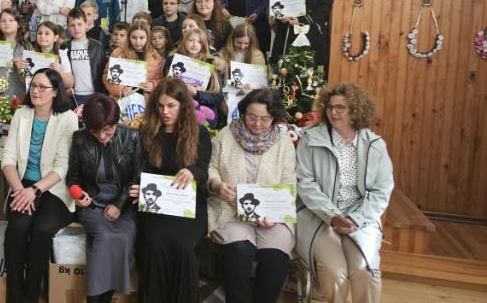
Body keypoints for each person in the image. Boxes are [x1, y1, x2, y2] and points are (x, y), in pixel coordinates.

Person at [297, 83, 393, 303]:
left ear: (356, 110)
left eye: (341, 107)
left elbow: (381, 191)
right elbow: (305, 184)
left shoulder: (375, 145)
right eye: (330, 107)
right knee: (334, 272)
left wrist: (356, 219)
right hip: (319, 216)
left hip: (361, 218)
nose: (333, 112)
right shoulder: (310, 139)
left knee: (364, 269)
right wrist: (332, 216)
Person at [208, 89, 295, 303]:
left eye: (264, 119)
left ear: (274, 117)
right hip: (230, 211)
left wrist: (275, 214)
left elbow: (289, 182)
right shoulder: (226, 135)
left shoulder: (283, 142)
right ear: (243, 112)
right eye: (252, 117)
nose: (257, 123)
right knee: (239, 252)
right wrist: (217, 185)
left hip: (272, 215)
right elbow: (211, 168)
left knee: (275, 257)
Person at [131, 78, 212, 303]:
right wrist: (141, 188)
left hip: (188, 204)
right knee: (154, 242)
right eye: (160, 106)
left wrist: (192, 172)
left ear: (183, 105)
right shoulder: (147, 132)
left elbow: (204, 170)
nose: (165, 112)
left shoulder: (199, 133)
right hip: (155, 204)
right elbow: (141, 170)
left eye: (171, 106)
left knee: (184, 246)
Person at [1, 68, 78, 303]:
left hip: (54, 187)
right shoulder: (21, 114)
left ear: (55, 92)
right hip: (23, 185)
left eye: (42, 87)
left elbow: (62, 167)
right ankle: (14, 294)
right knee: (16, 228)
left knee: (41, 230)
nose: (36, 91)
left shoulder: (68, 118)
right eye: (33, 85)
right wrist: (20, 191)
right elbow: (8, 160)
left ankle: (32, 292)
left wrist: (34, 191)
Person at [67, 94, 142, 303]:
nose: (102, 136)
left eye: (108, 130)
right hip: (93, 205)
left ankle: (104, 297)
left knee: (123, 237)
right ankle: (95, 299)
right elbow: (72, 178)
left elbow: (138, 176)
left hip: (124, 205)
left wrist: (119, 204)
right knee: (104, 238)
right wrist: (78, 195)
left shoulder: (132, 137)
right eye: (95, 131)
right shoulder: (80, 139)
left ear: (116, 122)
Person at [103, 22, 163, 101]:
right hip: (120, 100)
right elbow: (106, 76)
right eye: (134, 37)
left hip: (145, 101)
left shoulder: (155, 56)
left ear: (147, 38)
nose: (137, 41)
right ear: (129, 37)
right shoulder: (118, 53)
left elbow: (161, 79)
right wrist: (121, 89)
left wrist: (153, 85)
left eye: (142, 38)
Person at [62, 8, 107, 106]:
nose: (76, 28)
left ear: (86, 24)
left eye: (79, 24)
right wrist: (65, 90)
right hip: (73, 95)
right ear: (68, 27)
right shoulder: (64, 47)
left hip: (95, 94)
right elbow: (62, 72)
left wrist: (102, 94)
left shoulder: (97, 46)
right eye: (72, 25)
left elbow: (103, 71)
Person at [34, 21, 74, 89]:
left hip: (55, 94)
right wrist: (21, 70)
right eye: (39, 33)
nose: (42, 36)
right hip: (36, 93)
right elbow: (27, 82)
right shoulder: (31, 56)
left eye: (47, 33)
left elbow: (70, 84)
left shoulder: (62, 55)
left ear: (55, 38)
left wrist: (60, 71)